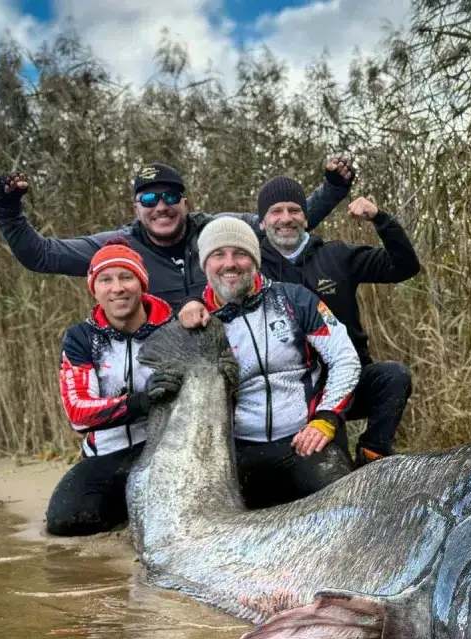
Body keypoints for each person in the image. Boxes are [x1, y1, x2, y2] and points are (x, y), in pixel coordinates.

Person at [180, 174, 420, 465]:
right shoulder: (249, 267)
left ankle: (372, 455)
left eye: (294, 210)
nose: (286, 218)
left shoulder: (337, 255)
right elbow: (214, 280)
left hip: (343, 370)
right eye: (276, 211)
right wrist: (191, 302)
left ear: (306, 218)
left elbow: (404, 266)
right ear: (261, 222)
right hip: (291, 384)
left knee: (393, 377)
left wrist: (381, 218)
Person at [0, 159, 354, 310]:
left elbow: (282, 225)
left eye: (170, 196)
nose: (160, 206)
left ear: (185, 201)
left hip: (233, 358)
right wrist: (8, 209)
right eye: (149, 198)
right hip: (164, 368)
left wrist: (333, 187)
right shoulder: (120, 245)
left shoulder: (218, 229)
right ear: (136, 208)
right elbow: (40, 255)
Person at [195, 216, 362, 508]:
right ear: (205, 265)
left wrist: (325, 418)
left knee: (343, 506)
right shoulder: (195, 322)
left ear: (256, 260)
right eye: (218, 255)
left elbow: (345, 358)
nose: (230, 263)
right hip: (237, 451)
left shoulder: (295, 299)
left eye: (241, 253)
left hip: (303, 440)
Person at [45, 242, 181, 536]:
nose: (117, 288)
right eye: (106, 280)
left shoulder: (173, 328)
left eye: (126, 277)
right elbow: (78, 414)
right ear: (94, 290)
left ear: (141, 283)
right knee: (64, 520)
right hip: (107, 455)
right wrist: (141, 402)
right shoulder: (81, 338)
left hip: (164, 453)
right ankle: (126, 512)